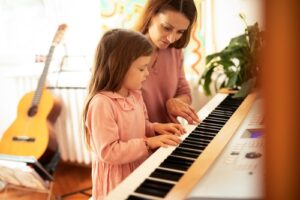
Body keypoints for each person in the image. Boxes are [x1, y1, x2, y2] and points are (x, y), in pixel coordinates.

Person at [82, 28, 185, 200]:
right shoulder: (101, 104)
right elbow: (109, 152)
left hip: (137, 167)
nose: (147, 73)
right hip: (116, 181)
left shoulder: (135, 95)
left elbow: (141, 125)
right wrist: (148, 143)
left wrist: (157, 128)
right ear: (119, 67)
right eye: (142, 68)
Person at [134, 0, 201, 124]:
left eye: (180, 32)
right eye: (166, 28)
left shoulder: (175, 51)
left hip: (169, 137)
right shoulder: (124, 51)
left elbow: (184, 92)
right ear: (151, 14)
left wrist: (174, 102)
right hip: (137, 140)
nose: (171, 39)